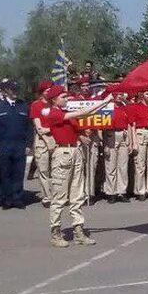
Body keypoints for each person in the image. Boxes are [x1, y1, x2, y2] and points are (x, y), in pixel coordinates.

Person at [41, 85, 112, 247]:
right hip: (63, 153)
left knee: (77, 193)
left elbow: (82, 121)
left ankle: (78, 230)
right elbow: (83, 112)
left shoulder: (65, 114)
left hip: (75, 152)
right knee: (59, 195)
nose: (67, 99)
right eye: (63, 97)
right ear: (54, 99)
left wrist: (80, 136)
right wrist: (105, 101)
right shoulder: (54, 113)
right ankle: (56, 232)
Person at [0, 80, 32, 209]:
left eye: (17, 89)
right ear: (6, 91)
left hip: (20, 145)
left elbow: (29, 127)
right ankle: (7, 199)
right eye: (13, 90)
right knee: (5, 174)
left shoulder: (23, 106)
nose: (15, 92)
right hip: (3, 145)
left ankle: (17, 198)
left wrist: (29, 144)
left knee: (18, 173)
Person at [30, 80, 55, 206]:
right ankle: (47, 196)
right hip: (42, 141)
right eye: (47, 90)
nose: (49, 92)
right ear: (42, 92)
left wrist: (52, 129)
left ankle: (57, 195)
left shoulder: (55, 104)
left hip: (56, 139)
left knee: (56, 170)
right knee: (43, 169)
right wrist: (50, 130)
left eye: (51, 89)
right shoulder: (36, 105)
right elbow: (39, 127)